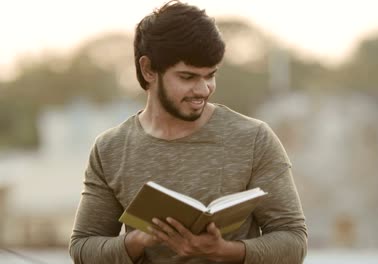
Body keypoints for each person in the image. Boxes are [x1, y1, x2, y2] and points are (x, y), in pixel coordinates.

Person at [69, 1, 307, 263]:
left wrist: (223, 251)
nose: (204, 89)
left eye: (210, 75)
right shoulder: (110, 149)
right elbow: (83, 248)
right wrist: (140, 239)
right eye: (188, 77)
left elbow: (293, 241)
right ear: (148, 69)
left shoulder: (254, 138)